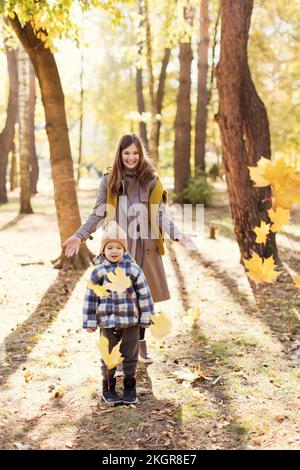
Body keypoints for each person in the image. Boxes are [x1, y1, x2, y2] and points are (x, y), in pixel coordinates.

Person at [64, 133, 196, 363]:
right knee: (118, 296)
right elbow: (98, 212)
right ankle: (120, 348)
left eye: (135, 153)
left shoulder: (152, 180)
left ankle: (140, 345)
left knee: (143, 297)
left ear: (140, 154)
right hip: (118, 247)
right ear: (120, 154)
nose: (131, 157)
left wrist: (179, 235)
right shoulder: (109, 180)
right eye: (126, 153)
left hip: (145, 245)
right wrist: (79, 235)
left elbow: (160, 215)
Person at [82, 221, 155, 405]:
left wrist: (146, 318)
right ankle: (108, 388)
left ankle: (130, 387)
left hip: (131, 322)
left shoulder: (133, 269)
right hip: (107, 323)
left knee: (130, 355)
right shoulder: (97, 272)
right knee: (108, 356)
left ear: (124, 249)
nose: (114, 251)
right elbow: (90, 298)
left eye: (118, 247)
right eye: (109, 247)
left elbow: (144, 295)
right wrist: (90, 322)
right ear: (102, 250)